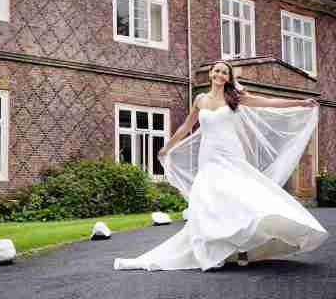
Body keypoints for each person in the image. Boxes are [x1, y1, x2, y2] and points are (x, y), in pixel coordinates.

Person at [114, 61, 329, 272]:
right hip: (208, 156)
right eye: (217, 71)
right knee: (211, 200)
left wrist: (299, 103)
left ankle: (243, 246)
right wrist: (168, 147)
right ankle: (214, 249)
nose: (220, 75)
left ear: (228, 78)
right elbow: (186, 126)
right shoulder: (200, 99)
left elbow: (266, 102)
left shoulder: (235, 98)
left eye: (224, 73)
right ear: (210, 74)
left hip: (231, 154)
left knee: (237, 197)